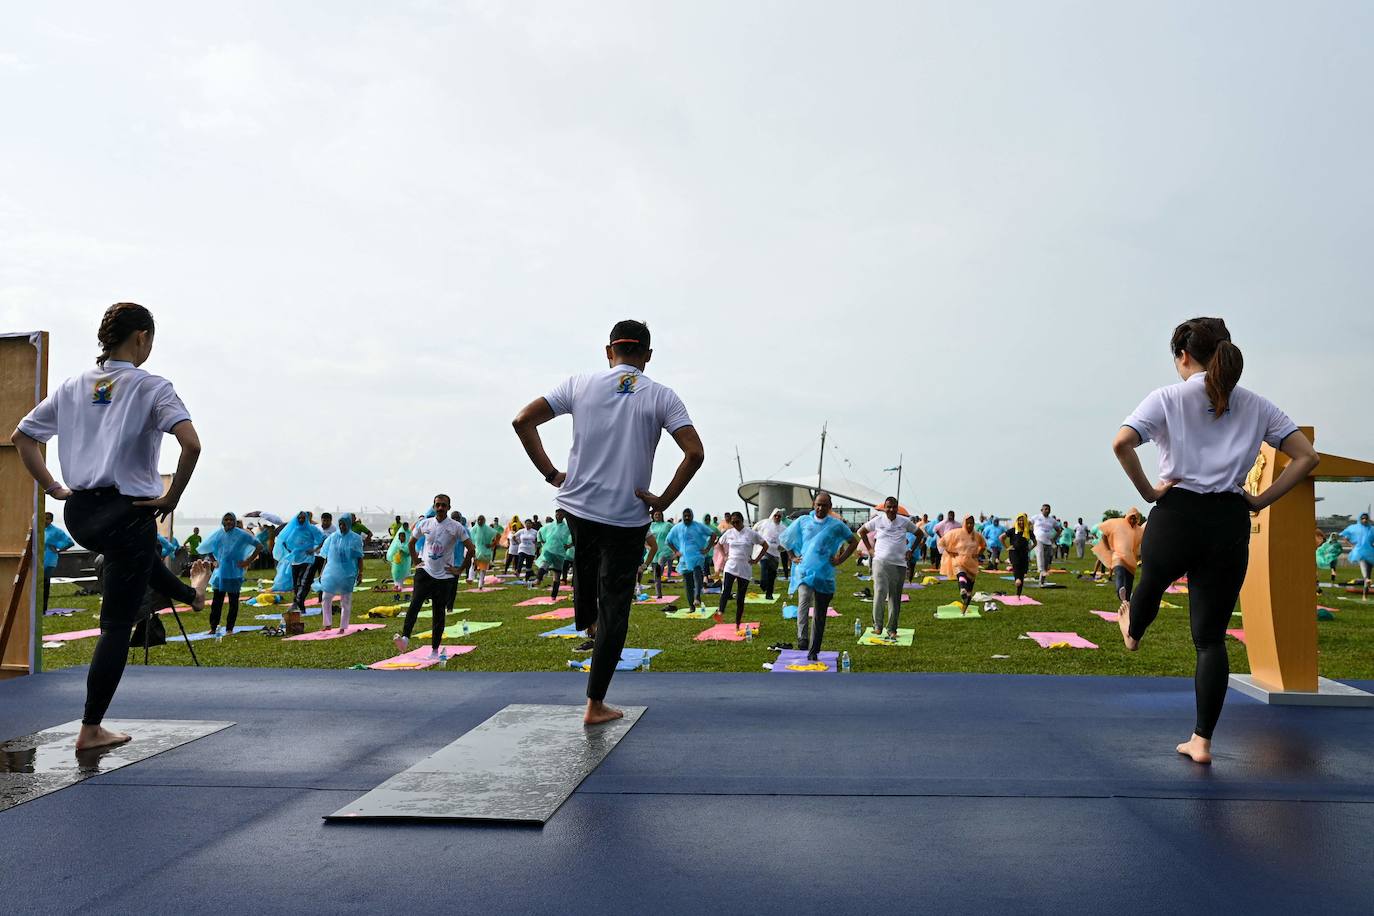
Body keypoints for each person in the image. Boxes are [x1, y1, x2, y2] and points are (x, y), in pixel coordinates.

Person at [1113, 316, 1318, 765]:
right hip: (1228, 518)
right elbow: (1307, 457)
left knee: (1150, 583)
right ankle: (1202, 742)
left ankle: (1133, 629)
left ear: (1183, 356)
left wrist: (1149, 493)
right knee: (1210, 640)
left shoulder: (1167, 397)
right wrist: (1260, 499)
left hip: (1177, 512)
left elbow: (1122, 444)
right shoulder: (1258, 405)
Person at [11, 302, 210, 750]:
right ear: (141, 338)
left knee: (137, 555)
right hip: (128, 509)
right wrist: (173, 496)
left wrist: (54, 488)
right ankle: (91, 728)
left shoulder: (72, 386)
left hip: (80, 512)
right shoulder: (152, 386)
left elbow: (22, 438)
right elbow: (192, 445)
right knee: (116, 625)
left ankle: (191, 596)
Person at [512, 319, 703, 725]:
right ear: (647, 356)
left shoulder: (579, 384)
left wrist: (551, 474)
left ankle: (590, 620)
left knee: (586, 572)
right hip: (626, 516)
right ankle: (595, 703)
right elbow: (695, 453)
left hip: (579, 509)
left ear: (608, 351)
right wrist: (662, 501)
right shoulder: (664, 396)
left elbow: (522, 420)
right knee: (616, 607)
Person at [781, 491, 859, 661]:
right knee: (803, 602)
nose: (820, 508)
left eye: (824, 505)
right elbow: (786, 539)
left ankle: (814, 649)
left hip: (824, 574)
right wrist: (792, 557)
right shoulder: (803, 521)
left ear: (830, 507)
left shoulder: (836, 525)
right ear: (813, 505)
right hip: (804, 571)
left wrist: (840, 559)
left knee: (820, 612)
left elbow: (853, 541)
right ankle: (803, 638)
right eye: (818, 504)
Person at [394, 494, 475, 658]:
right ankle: (405, 639)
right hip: (425, 571)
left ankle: (434, 650)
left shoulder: (456, 527)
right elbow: (411, 542)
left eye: (443, 505)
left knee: (439, 612)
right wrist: (416, 560)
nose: (440, 508)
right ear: (433, 506)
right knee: (414, 604)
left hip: (444, 576)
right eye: (437, 505)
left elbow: (471, 549)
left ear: (448, 507)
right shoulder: (425, 523)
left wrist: (459, 570)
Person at [859, 497, 920, 639]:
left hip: (899, 564)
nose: (891, 509)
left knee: (895, 596)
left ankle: (892, 628)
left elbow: (919, 534)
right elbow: (862, 531)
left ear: (897, 508)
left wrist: (911, 549)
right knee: (880, 592)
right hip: (880, 561)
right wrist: (870, 550)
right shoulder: (878, 520)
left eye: (894, 507)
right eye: (889, 507)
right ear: (884, 508)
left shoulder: (904, 521)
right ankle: (877, 626)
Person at [197, 512, 261, 635]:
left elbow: (259, 546)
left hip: (234, 573)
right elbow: (208, 547)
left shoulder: (242, 534)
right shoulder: (218, 534)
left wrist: (247, 561)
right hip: (220, 573)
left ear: (235, 521)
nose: (228, 522)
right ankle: (213, 627)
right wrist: (214, 561)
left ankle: (229, 628)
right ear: (222, 521)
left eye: (231, 519)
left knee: (233, 601)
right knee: (217, 602)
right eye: (226, 519)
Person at [715, 512, 766, 630]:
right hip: (731, 565)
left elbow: (765, 545)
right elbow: (719, 544)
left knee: (740, 597)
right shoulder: (729, 533)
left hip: (745, 568)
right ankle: (720, 612)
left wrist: (756, 559)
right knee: (726, 590)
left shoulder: (751, 533)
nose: (735, 524)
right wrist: (724, 556)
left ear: (742, 521)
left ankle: (738, 623)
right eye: (733, 522)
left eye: (737, 522)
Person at [318, 514, 365, 631]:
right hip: (332, 572)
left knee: (345, 600)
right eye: (340, 524)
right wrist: (322, 572)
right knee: (326, 597)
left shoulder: (355, 539)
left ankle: (343, 627)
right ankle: (327, 624)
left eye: (344, 524)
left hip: (347, 573)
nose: (342, 526)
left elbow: (359, 557)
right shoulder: (333, 537)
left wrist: (360, 573)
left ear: (349, 524)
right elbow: (326, 557)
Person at [666, 508, 717, 612]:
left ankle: (697, 596)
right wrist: (676, 551)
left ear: (692, 516)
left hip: (697, 556)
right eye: (685, 516)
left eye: (689, 516)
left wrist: (707, 548)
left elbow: (713, 535)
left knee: (697, 574)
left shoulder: (698, 526)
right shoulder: (677, 527)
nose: (687, 518)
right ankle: (691, 606)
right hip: (684, 559)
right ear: (683, 516)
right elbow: (668, 541)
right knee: (688, 584)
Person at [1093, 508, 1145, 603]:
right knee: (1119, 575)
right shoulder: (1118, 524)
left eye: (1135, 519)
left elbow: (1143, 543)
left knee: (1129, 584)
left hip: (1131, 560)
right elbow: (1104, 535)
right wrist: (1108, 548)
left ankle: (1126, 603)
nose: (1133, 520)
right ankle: (1120, 590)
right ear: (1127, 517)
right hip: (1118, 557)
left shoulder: (1139, 530)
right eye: (1131, 518)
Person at [940, 515, 988, 612]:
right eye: (968, 523)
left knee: (969, 592)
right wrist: (950, 552)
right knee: (961, 575)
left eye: (971, 523)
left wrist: (978, 554)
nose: (969, 525)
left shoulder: (977, 535)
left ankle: (964, 609)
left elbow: (983, 545)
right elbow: (943, 541)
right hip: (959, 561)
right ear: (964, 523)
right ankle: (962, 589)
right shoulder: (956, 533)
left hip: (972, 564)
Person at [277, 511, 324, 612]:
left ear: (307, 519)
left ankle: (299, 601)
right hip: (295, 560)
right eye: (299, 518)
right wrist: (291, 550)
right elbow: (284, 540)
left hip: (308, 559)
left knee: (304, 582)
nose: (301, 520)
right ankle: (298, 603)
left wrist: (314, 550)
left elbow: (323, 539)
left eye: (303, 518)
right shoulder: (293, 529)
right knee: (296, 583)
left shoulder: (312, 528)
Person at [535, 508, 574, 600]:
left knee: (556, 576)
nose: (558, 516)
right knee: (545, 563)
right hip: (549, 550)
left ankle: (553, 596)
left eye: (560, 514)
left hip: (560, 553)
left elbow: (575, 536)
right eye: (557, 514)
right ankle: (538, 579)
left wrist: (569, 545)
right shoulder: (549, 526)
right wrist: (542, 542)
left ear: (564, 516)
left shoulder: (567, 527)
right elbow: (539, 532)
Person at [42, 511, 75, 616]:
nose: (45, 520)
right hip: (39, 558)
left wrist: (59, 550)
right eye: (44, 518)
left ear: (51, 520)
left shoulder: (56, 531)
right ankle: (37, 607)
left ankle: (43, 608)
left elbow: (69, 542)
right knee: (38, 583)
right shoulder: (39, 530)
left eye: (48, 518)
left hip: (49, 559)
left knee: (44, 583)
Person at [752, 508, 786, 600]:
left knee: (772, 575)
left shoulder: (783, 528)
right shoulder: (765, 523)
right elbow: (754, 529)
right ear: (773, 515)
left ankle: (769, 594)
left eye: (779, 516)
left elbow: (786, 540)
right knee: (764, 569)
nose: (777, 517)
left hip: (775, 555)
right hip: (765, 552)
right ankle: (763, 583)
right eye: (776, 515)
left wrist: (782, 547)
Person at [1340, 512, 1374, 599]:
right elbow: (1345, 537)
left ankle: (1364, 596)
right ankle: (1366, 579)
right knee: (1365, 573)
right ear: (1360, 519)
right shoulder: (1354, 528)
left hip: (1370, 553)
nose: (1364, 520)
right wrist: (1352, 545)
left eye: (1366, 518)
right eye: (1363, 518)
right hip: (1360, 553)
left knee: (1368, 575)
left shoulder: (1371, 529)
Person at [1001, 514, 1034, 598]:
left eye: (1023, 520)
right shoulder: (1012, 530)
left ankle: (1018, 595)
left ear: (1026, 521)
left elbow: (1035, 542)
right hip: (1014, 552)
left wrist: (1030, 548)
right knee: (1016, 566)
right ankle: (1017, 579)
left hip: (1024, 553)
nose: (1021, 522)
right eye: (1019, 520)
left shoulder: (1028, 532)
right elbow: (1001, 537)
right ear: (1017, 521)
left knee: (1022, 573)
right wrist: (1007, 547)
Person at [645, 510, 675, 599]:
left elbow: (675, 533)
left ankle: (660, 573)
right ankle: (659, 594)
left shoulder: (667, 525)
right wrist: (647, 546)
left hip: (664, 550)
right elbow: (644, 537)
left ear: (662, 516)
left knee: (660, 565)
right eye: (656, 514)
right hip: (653, 551)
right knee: (656, 574)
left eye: (659, 514)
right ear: (653, 516)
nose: (657, 516)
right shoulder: (650, 525)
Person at [1031, 504, 1061, 585]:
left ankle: (1042, 581)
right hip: (1038, 540)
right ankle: (1041, 570)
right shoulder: (1036, 517)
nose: (1047, 510)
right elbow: (1028, 524)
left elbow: (1059, 530)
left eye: (1048, 509)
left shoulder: (1052, 520)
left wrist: (1054, 539)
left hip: (1048, 542)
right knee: (1040, 554)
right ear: (1042, 510)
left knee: (1046, 561)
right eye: (1045, 509)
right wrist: (1030, 534)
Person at [468, 515, 498, 585]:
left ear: (484, 521)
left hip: (485, 552)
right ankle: (470, 578)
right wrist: (473, 545)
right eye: (478, 520)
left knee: (483, 568)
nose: (480, 521)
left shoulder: (488, 529)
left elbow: (498, 535)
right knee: (473, 564)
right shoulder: (474, 529)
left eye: (481, 520)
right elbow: (470, 538)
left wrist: (492, 544)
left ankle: (480, 584)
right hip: (477, 551)